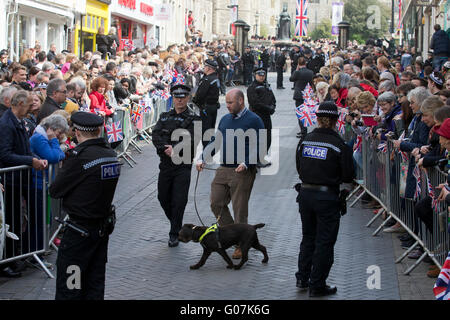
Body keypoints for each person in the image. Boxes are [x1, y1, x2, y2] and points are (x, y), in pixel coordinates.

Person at [49, 111, 120, 300]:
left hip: (79, 231)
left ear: (77, 133)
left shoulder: (80, 157)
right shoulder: (110, 154)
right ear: (98, 130)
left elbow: (55, 190)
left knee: (71, 284)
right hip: (101, 229)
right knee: (94, 282)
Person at [294, 101, 355, 297]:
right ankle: (317, 284)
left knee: (308, 238)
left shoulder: (306, 140)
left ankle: (302, 277)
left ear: (318, 119)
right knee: (324, 242)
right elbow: (347, 174)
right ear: (336, 121)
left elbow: (298, 166)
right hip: (327, 197)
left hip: (305, 194)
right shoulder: (339, 145)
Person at [197, 88, 264, 260]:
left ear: (241, 101)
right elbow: (215, 141)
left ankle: (240, 245)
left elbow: (260, 145)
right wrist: (203, 157)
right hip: (223, 168)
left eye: (230, 102)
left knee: (239, 210)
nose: (226, 106)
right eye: (226, 102)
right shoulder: (225, 119)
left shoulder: (254, 120)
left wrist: (247, 162)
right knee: (216, 202)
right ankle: (234, 236)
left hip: (242, 170)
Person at [0, 90, 48, 278]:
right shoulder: (6, 125)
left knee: (19, 219)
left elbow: (25, 149)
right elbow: (5, 154)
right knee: (11, 221)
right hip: (11, 180)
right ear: (19, 104)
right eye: (28, 104)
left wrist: (36, 159)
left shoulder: (20, 122)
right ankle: (7, 261)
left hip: (20, 178)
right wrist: (30, 161)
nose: (31, 108)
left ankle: (17, 257)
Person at [152, 84, 201, 247]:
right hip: (166, 165)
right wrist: (164, 148)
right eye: (176, 97)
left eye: (183, 97)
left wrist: (177, 148)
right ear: (172, 98)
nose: (179, 100)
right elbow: (156, 134)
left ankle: (174, 233)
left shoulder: (195, 119)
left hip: (183, 165)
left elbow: (195, 139)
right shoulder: (165, 116)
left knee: (179, 201)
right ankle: (176, 224)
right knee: (163, 197)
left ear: (188, 98)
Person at [247, 67, 276, 160]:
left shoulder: (266, 85)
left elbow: (272, 98)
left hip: (266, 115)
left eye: (263, 75)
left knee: (267, 137)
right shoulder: (252, 87)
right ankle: (257, 158)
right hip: (257, 115)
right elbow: (255, 103)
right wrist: (268, 108)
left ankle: (263, 156)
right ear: (255, 76)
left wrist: (273, 107)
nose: (262, 77)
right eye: (259, 75)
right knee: (258, 138)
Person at [192, 59, 220, 148]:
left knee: (206, 131)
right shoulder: (215, 78)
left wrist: (195, 100)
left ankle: (206, 152)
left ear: (209, 68)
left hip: (206, 108)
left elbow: (200, 95)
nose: (204, 68)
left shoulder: (207, 80)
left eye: (205, 66)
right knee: (210, 130)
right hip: (213, 107)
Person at [290, 57, 314, 139]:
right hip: (307, 94)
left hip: (298, 95)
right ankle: (305, 129)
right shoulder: (310, 72)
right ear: (305, 63)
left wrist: (296, 70)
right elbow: (312, 83)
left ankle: (303, 130)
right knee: (306, 112)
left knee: (300, 113)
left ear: (298, 64)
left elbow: (291, 79)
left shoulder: (298, 72)